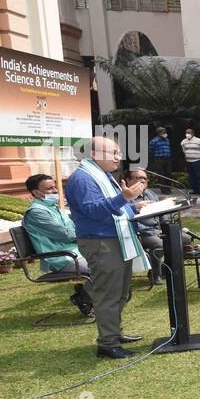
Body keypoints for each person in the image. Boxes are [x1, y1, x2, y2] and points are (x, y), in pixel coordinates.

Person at [64, 136, 147, 359]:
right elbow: (93, 210)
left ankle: (115, 333)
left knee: (121, 291)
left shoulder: (103, 175)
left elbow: (113, 205)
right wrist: (124, 197)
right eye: (113, 153)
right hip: (101, 242)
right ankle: (107, 344)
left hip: (115, 239)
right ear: (94, 154)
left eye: (119, 153)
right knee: (108, 293)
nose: (118, 158)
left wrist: (133, 205)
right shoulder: (83, 178)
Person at [22, 172, 92, 316]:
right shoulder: (36, 212)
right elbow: (66, 234)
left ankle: (86, 294)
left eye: (55, 187)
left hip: (77, 252)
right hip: (62, 258)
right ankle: (84, 297)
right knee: (104, 268)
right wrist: (87, 232)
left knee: (111, 261)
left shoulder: (54, 208)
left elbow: (73, 228)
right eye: (49, 189)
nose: (55, 191)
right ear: (36, 192)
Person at [180, 126, 200, 196]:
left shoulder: (199, 141)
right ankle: (195, 190)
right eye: (186, 132)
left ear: (192, 133)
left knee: (199, 176)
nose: (187, 134)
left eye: (189, 132)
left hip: (197, 161)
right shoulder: (183, 142)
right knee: (191, 177)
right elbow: (184, 150)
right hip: (188, 161)